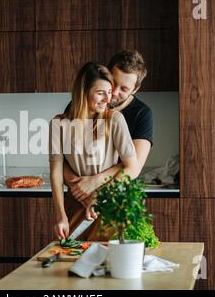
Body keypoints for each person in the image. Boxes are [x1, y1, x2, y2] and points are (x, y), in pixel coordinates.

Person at [49, 62, 141, 240]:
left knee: (110, 264)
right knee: (67, 262)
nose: (108, 99)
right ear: (83, 92)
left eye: (109, 92)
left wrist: (99, 195)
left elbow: (131, 167)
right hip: (76, 205)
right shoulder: (58, 124)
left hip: (109, 205)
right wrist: (60, 215)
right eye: (100, 93)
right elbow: (56, 173)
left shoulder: (115, 120)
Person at [63, 50, 153, 210]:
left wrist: (96, 183)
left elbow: (134, 166)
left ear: (135, 89)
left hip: (117, 201)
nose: (114, 93)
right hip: (78, 198)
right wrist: (78, 187)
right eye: (113, 82)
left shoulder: (142, 114)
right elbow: (63, 158)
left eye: (124, 89)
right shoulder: (80, 106)